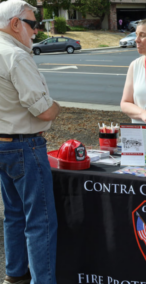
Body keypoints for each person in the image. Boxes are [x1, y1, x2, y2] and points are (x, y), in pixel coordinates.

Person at [0, 0, 61, 283]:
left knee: (13, 214)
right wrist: (57, 106)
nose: (36, 31)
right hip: (24, 145)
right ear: (15, 24)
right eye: (33, 24)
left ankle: (15, 274)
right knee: (41, 221)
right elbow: (44, 110)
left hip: (3, 142)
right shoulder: (16, 55)